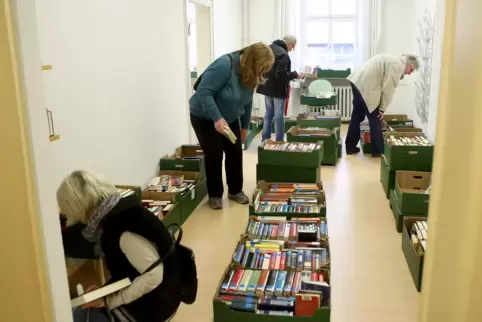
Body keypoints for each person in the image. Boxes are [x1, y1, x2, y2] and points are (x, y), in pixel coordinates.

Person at [58, 170, 181, 322]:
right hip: (163, 290)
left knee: (79, 318)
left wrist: (109, 300)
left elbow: (153, 276)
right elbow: (130, 268)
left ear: (76, 206)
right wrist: (105, 291)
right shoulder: (119, 209)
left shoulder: (120, 230)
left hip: (159, 300)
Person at [189, 42, 275, 210]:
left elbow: (248, 100)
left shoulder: (250, 72)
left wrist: (245, 125)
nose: (264, 71)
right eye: (263, 66)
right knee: (214, 153)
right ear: (254, 61)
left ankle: (235, 191)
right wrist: (217, 118)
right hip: (205, 116)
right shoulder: (224, 65)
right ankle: (214, 195)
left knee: (235, 152)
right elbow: (204, 92)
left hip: (229, 116)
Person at [345, 54, 419, 157]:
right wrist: (382, 109)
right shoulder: (398, 66)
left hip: (358, 81)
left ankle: (350, 147)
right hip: (366, 85)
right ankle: (378, 151)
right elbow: (388, 89)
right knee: (376, 119)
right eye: (412, 69)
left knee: (357, 116)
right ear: (409, 64)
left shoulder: (395, 60)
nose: (410, 73)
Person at [257, 35, 302, 142]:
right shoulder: (283, 54)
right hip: (277, 90)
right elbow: (281, 76)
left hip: (266, 86)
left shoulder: (268, 48)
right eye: (293, 47)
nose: (291, 50)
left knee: (268, 114)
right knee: (278, 117)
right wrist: (295, 74)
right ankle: (279, 141)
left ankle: (265, 140)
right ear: (290, 43)